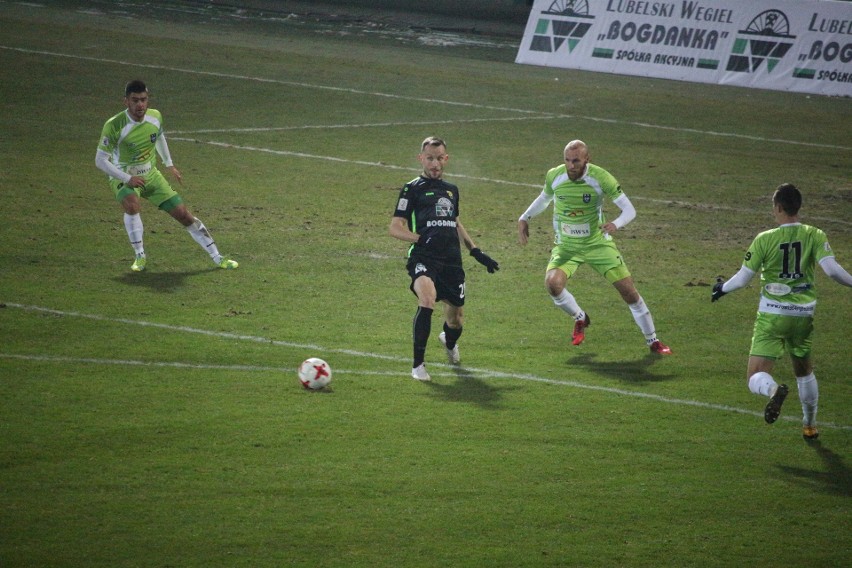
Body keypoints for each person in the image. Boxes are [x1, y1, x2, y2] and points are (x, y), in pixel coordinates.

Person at [712, 183, 852, 440]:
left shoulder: (765, 238)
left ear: (778, 207)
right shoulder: (814, 234)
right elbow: (832, 271)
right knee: (805, 372)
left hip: (772, 317)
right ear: (798, 207)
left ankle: (773, 390)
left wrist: (722, 288)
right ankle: (810, 426)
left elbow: (743, 279)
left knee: (755, 375)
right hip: (803, 317)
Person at [517, 139, 671, 354]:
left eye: (576, 161)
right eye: (567, 160)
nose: (571, 166)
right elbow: (545, 198)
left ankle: (653, 341)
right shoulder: (555, 175)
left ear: (587, 159)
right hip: (567, 247)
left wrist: (615, 224)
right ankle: (580, 317)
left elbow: (629, 210)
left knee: (629, 292)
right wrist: (525, 217)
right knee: (552, 284)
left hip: (597, 244)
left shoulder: (601, 178)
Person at [95, 80, 238, 272]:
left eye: (143, 100)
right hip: (124, 176)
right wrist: (127, 178)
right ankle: (140, 256)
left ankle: (218, 257)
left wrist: (169, 164)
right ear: (126, 102)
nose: (140, 105)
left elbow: (159, 136)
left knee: (184, 215)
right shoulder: (114, 125)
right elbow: (100, 160)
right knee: (132, 204)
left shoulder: (155, 117)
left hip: (151, 175)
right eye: (135, 100)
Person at [389, 136, 499, 381]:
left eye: (439, 158)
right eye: (429, 158)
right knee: (426, 299)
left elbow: (455, 222)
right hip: (424, 257)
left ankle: (448, 341)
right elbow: (395, 227)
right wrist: (418, 239)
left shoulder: (452, 190)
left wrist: (476, 251)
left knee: (456, 320)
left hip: (451, 261)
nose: (434, 163)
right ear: (421, 159)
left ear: (446, 159)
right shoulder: (412, 188)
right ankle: (418, 366)